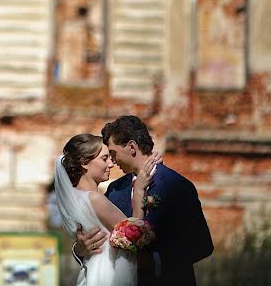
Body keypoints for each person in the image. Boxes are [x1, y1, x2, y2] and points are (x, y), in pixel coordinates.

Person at [73, 116, 213, 286]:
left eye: (113, 154)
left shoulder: (178, 187)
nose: (112, 161)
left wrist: (153, 261)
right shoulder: (115, 190)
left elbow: (202, 245)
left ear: (132, 147)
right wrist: (79, 250)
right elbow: (101, 241)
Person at [55, 133, 160, 286]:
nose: (111, 164)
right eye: (105, 159)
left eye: (110, 157)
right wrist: (138, 191)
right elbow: (134, 235)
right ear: (84, 163)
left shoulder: (74, 198)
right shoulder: (95, 199)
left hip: (92, 272)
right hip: (109, 273)